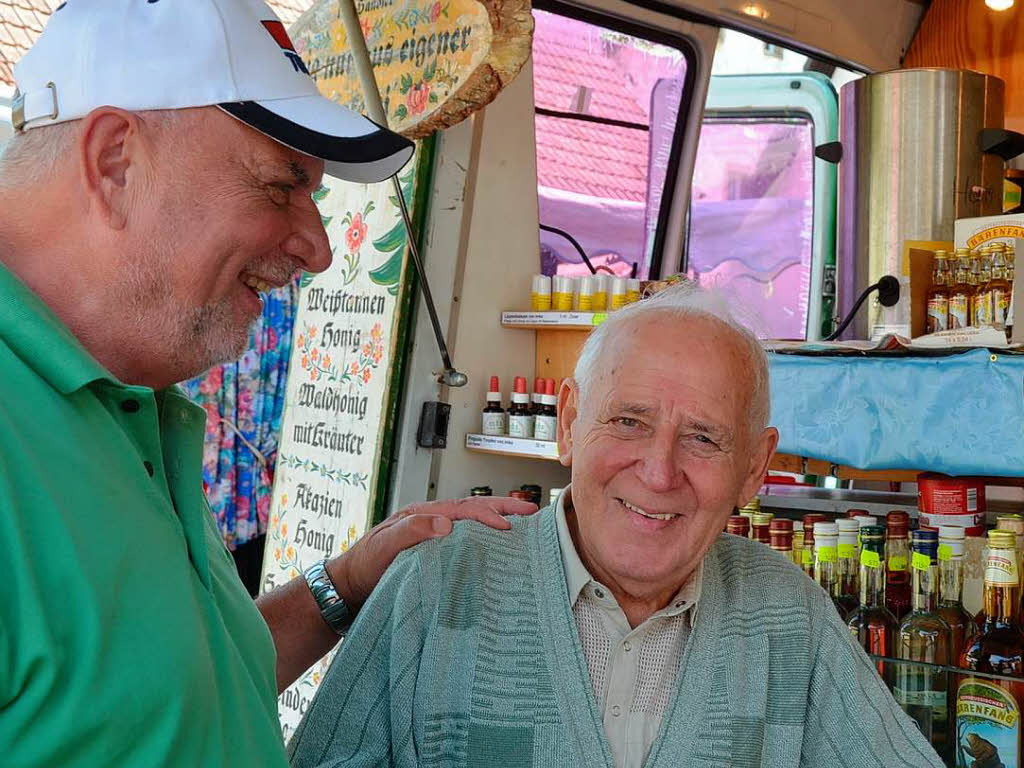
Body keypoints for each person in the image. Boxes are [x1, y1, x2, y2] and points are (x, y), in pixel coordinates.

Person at [0, 3, 534, 767]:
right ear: (115, 160)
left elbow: (169, 692)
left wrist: (346, 583)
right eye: (282, 184)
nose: (316, 247)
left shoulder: (126, 392)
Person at [288, 282, 944, 768]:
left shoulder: (784, 612)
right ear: (570, 423)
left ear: (753, 469)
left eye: (704, 439)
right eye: (628, 421)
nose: (658, 472)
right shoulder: (438, 581)